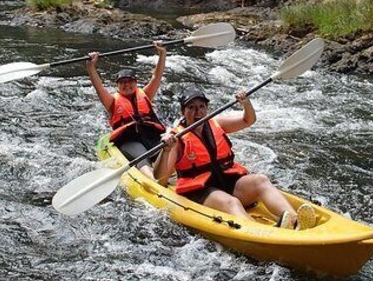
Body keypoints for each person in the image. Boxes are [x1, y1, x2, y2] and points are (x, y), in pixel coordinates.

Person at [154, 88, 316, 230]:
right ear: (183, 111)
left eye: (201, 107)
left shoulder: (216, 123)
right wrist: (166, 151)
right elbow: (160, 178)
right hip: (201, 191)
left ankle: (296, 221)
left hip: (227, 182)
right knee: (232, 203)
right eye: (191, 108)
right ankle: (260, 233)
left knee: (261, 180)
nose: (198, 112)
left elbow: (248, 120)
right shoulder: (177, 138)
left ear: (207, 108)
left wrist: (246, 103)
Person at [87, 41, 167, 177]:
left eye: (129, 81)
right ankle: (152, 181)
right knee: (142, 156)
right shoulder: (112, 101)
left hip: (151, 137)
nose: (126, 85)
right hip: (129, 141)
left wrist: (162, 54)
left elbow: (156, 77)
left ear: (136, 83)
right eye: (122, 82)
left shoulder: (145, 94)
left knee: (169, 150)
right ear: (117, 85)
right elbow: (98, 87)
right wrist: (91, 67)